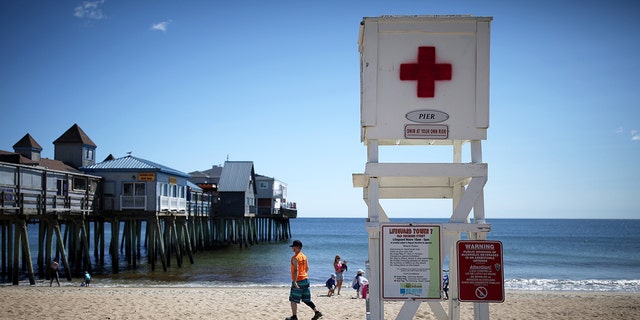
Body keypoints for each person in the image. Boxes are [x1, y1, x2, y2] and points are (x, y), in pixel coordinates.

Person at [286, 240, 323, 320]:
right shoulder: (304, 256)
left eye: (293, 247)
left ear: (296, 247)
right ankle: (317, 312)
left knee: (293, 299)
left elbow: (296, 270)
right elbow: (307, 268)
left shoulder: (295, 258)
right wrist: (303, 275)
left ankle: (294, 317)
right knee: (306, 299)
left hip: (298, 280)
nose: (292, 248)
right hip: (306, 279)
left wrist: (295, 281)